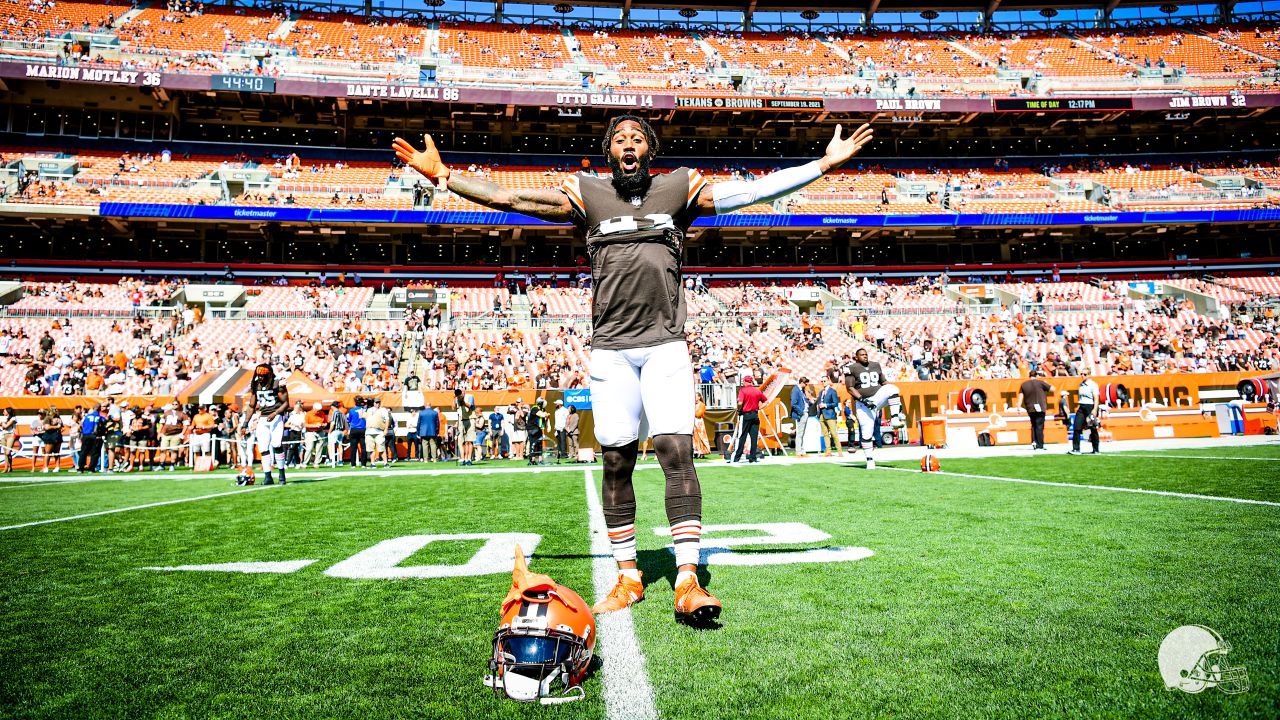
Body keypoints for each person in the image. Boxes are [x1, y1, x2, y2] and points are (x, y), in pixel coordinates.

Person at [396, 115, 873, 623]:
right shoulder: (588, 193)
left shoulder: (678, 187)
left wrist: (821, 165)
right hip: (610, 349)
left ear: (650, 151)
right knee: (616, 461)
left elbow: (751, 193)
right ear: (609, 152)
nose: (629, 144)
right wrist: (445, 177)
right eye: (620, 139)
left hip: (666, 344)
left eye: (638, 138)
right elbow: (514, 200)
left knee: (676, 452)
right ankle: (629, 575)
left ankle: (687, 578)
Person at [843, 347, 904, 471]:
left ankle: (895, 418)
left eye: (866, 354)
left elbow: (885, 383)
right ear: (856, 357)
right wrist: (862, 399)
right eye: (862, 355)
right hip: (863, 403)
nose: (865, 356)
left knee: (893, 389)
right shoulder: (852, 368)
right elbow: (849, 388)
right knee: (867, 433)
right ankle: (870, 460)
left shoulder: (876, 365)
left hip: (877, 398)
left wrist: (896, 401)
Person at [246, 363, 292, 484]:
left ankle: (282, 475)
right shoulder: (256, 385)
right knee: (263, 447)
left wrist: (275, 413)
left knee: (276, 444)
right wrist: (245, 422)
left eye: (263, 375)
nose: (260, 377)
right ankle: (268, 477)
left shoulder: (277, 384)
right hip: (263, 418)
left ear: (269, 374)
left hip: (276, 417)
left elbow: (286, 403)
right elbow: (251, 406)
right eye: (258, 375)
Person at [1016, 369, 1054, 451]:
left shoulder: (1024, 385)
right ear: (1036, 375)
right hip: (1040, 407)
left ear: (1029, 376)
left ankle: (1034, 441)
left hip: (1030, 407)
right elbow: (1052, 389)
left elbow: (1020, 397)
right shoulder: (1040, 383)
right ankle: (1040, 445)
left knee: (1033, 425)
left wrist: (1018, 407)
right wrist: (1046, 382)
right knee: (1039, 426)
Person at [732, 376, 766, 464]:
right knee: (754, 437)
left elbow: (740, 402)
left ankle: (737, 457)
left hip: (746, 415)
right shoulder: (757, 390)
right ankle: (753, 457)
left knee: (742, 436)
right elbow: (766, 401)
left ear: (745, 382)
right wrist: (760, 408)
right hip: (755, 415)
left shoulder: (743, 390)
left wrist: (738, 410)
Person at [1069, 373, 1101, 455]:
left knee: (1092, 428)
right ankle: (1076, 449)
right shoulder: (1081, 385)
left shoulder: (1093, 385)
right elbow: (1081, 397)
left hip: (1090, 406)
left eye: (1085, 374)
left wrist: (1094, 409)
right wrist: (1078, 406)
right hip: (1081, 407)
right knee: (1077, 427)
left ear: (1089, 375)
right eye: (1081, 374)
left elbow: (1096, 398)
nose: (1082, 375)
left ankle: (1096, 449)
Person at [817, 378, 842, 457]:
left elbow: (835, 403)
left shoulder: (832, 391)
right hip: (822, 414)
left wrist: (826, 405)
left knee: (834, 433)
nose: (823, 382)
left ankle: (839, 451)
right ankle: (828, 451)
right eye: (822, 381)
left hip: (830, 414)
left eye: (824, 381)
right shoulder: (821, 392)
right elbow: (819, 402)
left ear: (828, 381)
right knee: (825, 434)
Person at [789, 377, 812, 457]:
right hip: (801, 414)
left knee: (802, 433)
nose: (806, 385)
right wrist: (801, 412)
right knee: (799, 434)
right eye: (805, 384)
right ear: (802, 382)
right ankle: (799, 452)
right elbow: (793, 403)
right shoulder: (796, 390)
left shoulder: (800, 390)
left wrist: (809, 402)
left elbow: (802, 401)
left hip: (803, 412)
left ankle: (802, 451)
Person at [78, 403, 104, 473]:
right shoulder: (101, 417)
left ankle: (80, 468)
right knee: (95, 452)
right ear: (100, 409)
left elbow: (81, 425)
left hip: (86, 435)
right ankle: (91, 468)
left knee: (83, 452)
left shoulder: (86, 417)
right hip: (96, 436)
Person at [365, 397, 389, 467]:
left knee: (381, 448)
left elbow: (387, 420)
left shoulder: (383, 410)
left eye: (379, 402)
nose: (377, 404)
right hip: (369, 431)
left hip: (379, 431)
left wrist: (386, 429)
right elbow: (363, 417)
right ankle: (372, 463)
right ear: (373, 403)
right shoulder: (369, 410)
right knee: (371, 449)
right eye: (376, 402)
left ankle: (385, 463)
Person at [455, 390, 477, 466]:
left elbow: (470, 406)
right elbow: (453, 408)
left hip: (470, 419)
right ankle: (464, 459)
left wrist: (462, 402)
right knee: (463, 441)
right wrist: (454, 398)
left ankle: (469, 459)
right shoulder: (457, 398)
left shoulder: (470, 396)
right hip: (461, 420)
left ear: (464, 392)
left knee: (469, 441)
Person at [303, 402, 327, 467]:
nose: (319, 412)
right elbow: (305, 424)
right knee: (309, 448)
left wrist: (322, 425)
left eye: (319, 410)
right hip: (310, 432)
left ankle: (317, 463)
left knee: (319, 448)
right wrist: (314, 426)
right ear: (314, 408)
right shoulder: (308, 414)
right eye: (317, 410)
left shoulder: (322, 413)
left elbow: (325, 423)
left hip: (320, 432)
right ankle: (305, 463)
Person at [346, 398, 368, 468]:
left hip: (354, 429)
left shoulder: (352, 410)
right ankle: (363, 464)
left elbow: (349, 420)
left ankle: (353, 464)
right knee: (363, 447)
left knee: (353, 448)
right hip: (363, 429)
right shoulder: (364, 410)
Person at [326, 400, 348, 467]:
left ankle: (331, 460)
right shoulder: (342, 413)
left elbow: (333, 423)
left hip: (335, 431)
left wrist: (329, 431)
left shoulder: (334, 413)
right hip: (341, 431)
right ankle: (340, 460)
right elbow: (346, 423)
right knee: (340, 445)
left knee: (330, 445)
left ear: (333, 406)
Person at [691, 393, 710, 459]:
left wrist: (692, 412)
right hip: (693, 421)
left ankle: (702, 451)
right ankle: (695, 451)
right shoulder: (693, 405)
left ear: (699, 397)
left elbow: (699, 414)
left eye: (695, 397)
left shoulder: (702, 405)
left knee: (701, 437)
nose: (694, 398)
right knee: (694, 437)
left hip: (699, 422)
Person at [0, 407, 16, 472]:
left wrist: (2, 423)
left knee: (8, 452)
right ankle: (7, 467)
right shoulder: (3, 418)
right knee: (5, 453)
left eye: (4, 411)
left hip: (10, 435)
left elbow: (6, 426)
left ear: (8, 412)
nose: (3, 412)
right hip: (3, 435)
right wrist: (2, 424)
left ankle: (9, 467)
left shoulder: (13, 418)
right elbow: (3, 427)